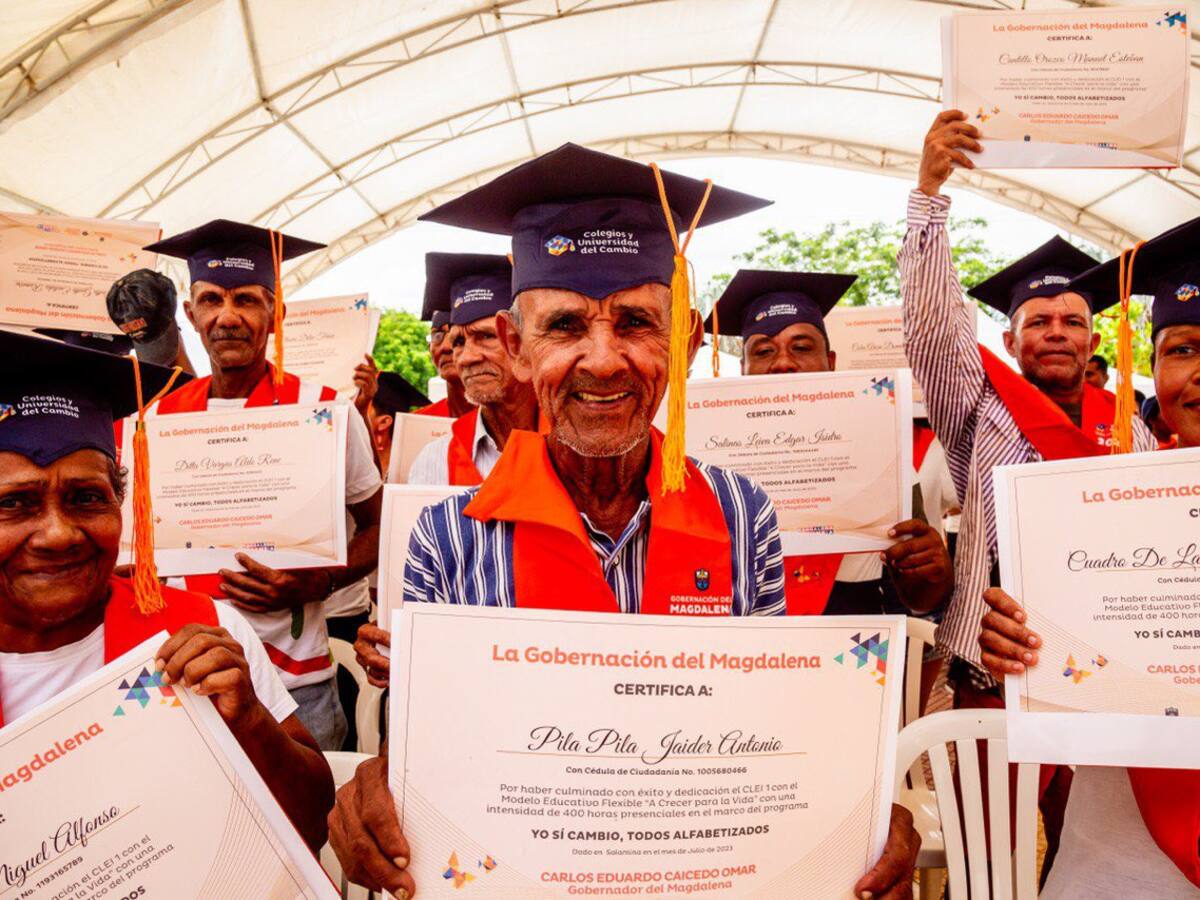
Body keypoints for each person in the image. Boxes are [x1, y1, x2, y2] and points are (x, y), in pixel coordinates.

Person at [328, 143, 920, 899]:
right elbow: (432, 750)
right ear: (515, 345)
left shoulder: (742, 516)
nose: (603, 361)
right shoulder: (450, 538)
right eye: (566, 326)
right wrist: (381, 781)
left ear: (684, 341)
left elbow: (775, 725)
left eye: (637, 322)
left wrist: (859, 809)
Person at [900, 109, 1156, 871]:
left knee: (1089, 855)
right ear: (1011, 341)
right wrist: (929, 196)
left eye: (1071, 321)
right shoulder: (981, 411)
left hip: (1102, 683)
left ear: (1092, 340)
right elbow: (932, 330)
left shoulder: (1133, 431)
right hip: (994, 675)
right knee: (989, 859)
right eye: (1037, 320)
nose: (1055, 330)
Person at [0, 330, 333, 850]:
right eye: (14, 503)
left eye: (87, 498)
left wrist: (248, 721)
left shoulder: (202, 629)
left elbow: (314, 824)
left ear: (122, 505)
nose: (59, 533)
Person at [978, 215, 1200, 897]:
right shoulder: (1120, 497)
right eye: (1184, 349)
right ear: (1153, 367)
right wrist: (1025, 644)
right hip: (1125, 829)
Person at [138, 219, 384, 751]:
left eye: (246, 300)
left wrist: (319, 582)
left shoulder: (325, 409)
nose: (227, 317)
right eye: (211, 300)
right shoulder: (156, 418)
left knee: (307, 824)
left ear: (276, 315)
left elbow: (379, 527)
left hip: (298, 682)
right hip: (186, 678)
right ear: (191, 314)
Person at [707, 269, 955, 619]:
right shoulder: (710, 461)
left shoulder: (884, 456)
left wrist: (930, 571)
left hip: (853, 640)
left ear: (832, 363)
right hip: (737, 641)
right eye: (763, 351)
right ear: (743, 369)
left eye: (802, 347)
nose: (783, 363)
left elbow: (921, 601)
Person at [407, 252, 538, 485]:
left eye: (486, 336)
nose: (466, 358)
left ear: (522, 342)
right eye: (459, 342)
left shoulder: (574, 449)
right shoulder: (435, 463)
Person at [412, 309, 473, 418]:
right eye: (437, 336)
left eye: (458, 336)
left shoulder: (507, 423)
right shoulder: (419, 423)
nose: (446, 346)